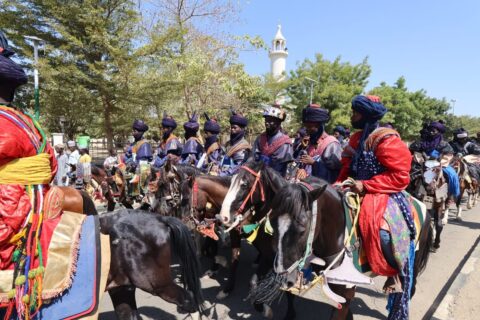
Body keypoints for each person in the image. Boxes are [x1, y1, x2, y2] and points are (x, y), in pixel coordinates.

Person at [336, 95, 415, 319]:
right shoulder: (355, 139)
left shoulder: (387, 140)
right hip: (354, 187)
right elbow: (347, 168)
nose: (352, 116)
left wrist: (367, 185)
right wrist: (339, 184)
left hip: (383, 192)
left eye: (356, 113)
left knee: (383, 232)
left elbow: (400, 177)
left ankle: (397, 271)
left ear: (367, 115)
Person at [0, 31, 58, 316]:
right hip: (34, 196)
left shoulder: (3, 123)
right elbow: (52, 165)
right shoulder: (29, 122)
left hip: (10, 202)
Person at [410, 121, 460, 202]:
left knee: (453, 175)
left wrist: (439, 162)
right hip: (421, 164)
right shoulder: (421, 142)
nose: (431, 132)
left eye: (434, 131)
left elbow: (449, 155)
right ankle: (409, 196)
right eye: (430, 130)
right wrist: (422, 161)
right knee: (408, 176)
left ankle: (451, 196)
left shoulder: (444, 144)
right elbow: (414, 151)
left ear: (439, 132)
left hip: (440, 164)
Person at [297, 104, 342, 182]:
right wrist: (301, 169)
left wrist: (314, 163)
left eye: (310, 127)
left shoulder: (332, 144)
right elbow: (300, 164)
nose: (306, 130)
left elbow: (334, 174)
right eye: (306, 126)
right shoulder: (309, 143)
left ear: (319, 126)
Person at [252, 104, 293, 177]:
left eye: (271, 120)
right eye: (266, 119)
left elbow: (278, 167)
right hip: (257, 175)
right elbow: (254, 158)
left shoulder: (285, 143)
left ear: (278, 122)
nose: (267, 123)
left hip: (275, 180)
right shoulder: (260, 138)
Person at [124, 119, 153, 197]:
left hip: (142, 165)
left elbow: (144, 160)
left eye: (135, 131)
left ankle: (141, 194)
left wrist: (134, 164)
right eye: (133, 130)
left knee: (141, 170)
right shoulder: (133, 143)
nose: (133, 133)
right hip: (132, 164)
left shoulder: (144, 143)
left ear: (141, 132)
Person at [219, 110, 251, 176]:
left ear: (242, 129)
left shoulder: (243, 146)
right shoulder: (228, 143)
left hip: (234, 177)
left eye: (235, 128)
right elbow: (221, 157)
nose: (232, 129)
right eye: (231, 127)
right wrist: (216, 166)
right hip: (221, 172)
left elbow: (238, 166)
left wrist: (223, 174)